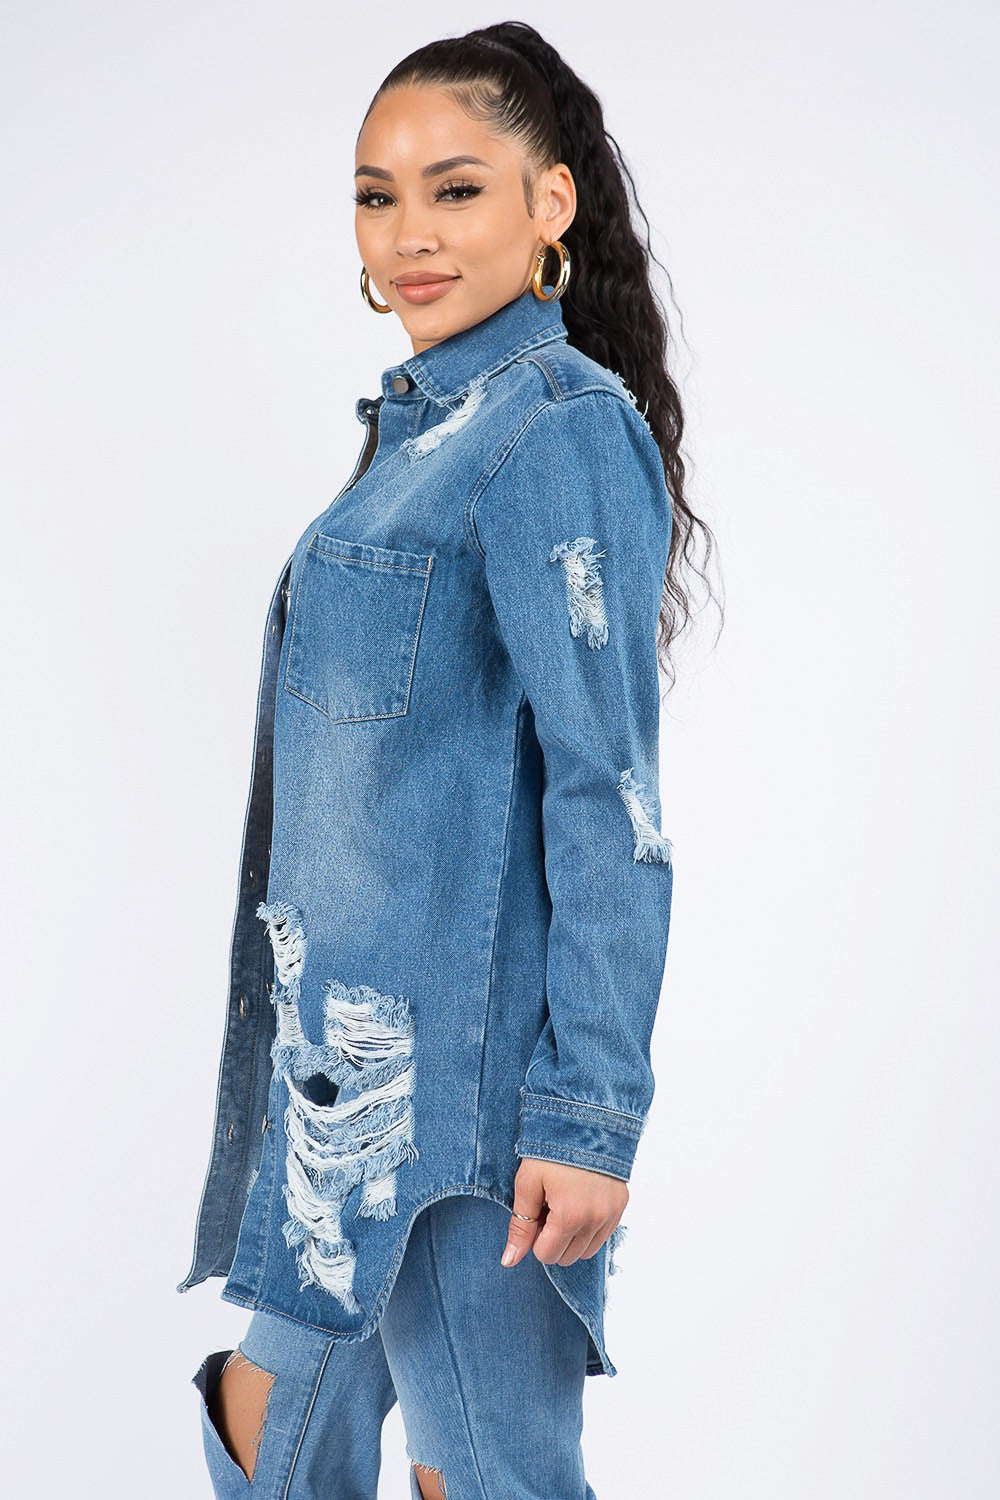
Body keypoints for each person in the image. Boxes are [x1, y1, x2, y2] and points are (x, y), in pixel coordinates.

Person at [179, 21, 715, 1500]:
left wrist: (589, 1116)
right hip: (335, 1108)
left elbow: (614, 798)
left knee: (494, 1476)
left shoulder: (554, 429)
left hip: (464, 1128)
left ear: (552, 204)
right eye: (376, 195)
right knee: (266, 1420)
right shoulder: (424, 430)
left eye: (456, 191)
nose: (408, 237)